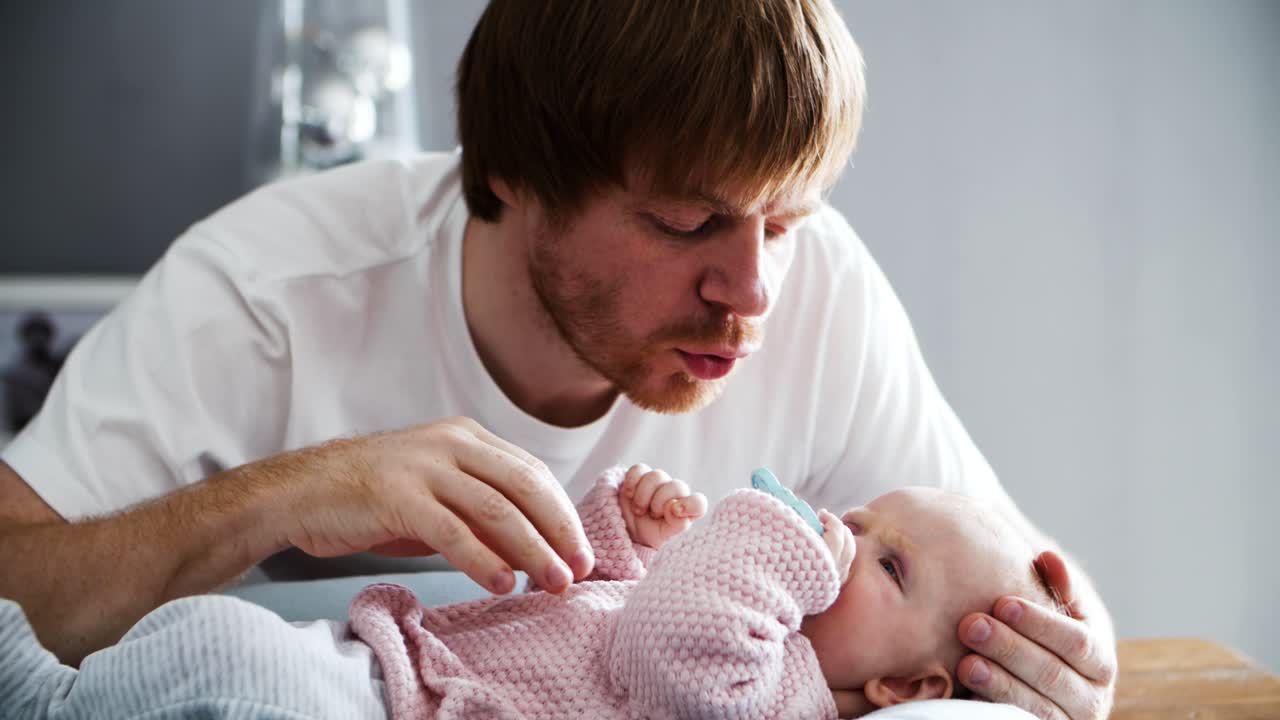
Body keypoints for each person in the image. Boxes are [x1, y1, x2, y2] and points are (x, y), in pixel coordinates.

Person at [0, 1, 1115, 716]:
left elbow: (999, 585)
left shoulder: (821, 289)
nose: (754, 291)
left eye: (782, 221)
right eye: (686, 223)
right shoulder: (268, 288)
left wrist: (1066, 660)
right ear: (513, 176)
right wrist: (283, 498)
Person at [0, 465, 1061, 719]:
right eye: (858, 519)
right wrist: (626, 534)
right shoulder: (757, 621)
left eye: (886, 566)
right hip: (381, 673)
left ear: (905, 690)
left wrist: (772, 538)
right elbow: (584, 604)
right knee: (216, 648)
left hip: (378, 708)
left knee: (230, 672)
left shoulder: (777, 696)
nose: (842, 539)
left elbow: (668, 650)